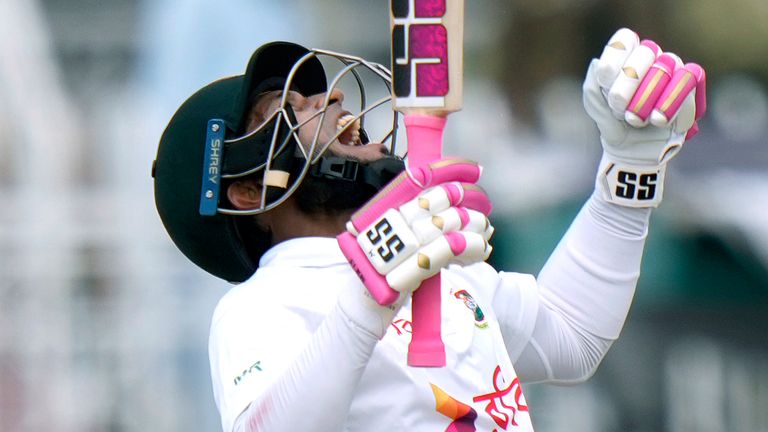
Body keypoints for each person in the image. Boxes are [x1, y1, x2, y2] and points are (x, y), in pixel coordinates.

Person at [152, 28, 706, 432]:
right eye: (288, 107)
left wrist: (629, 172)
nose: (334, 100)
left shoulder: (424, 262)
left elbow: (570, 337)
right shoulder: (260, 306)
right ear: (249, 192)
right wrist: (367, 298)